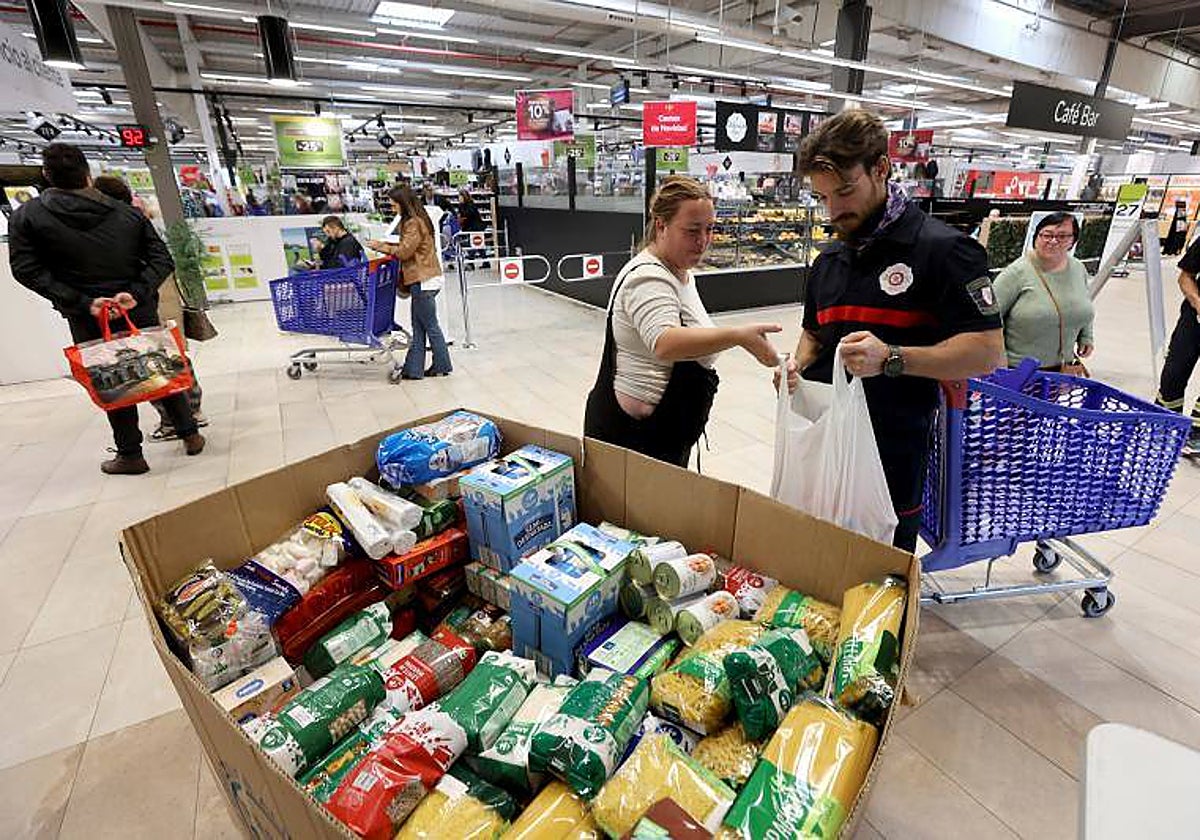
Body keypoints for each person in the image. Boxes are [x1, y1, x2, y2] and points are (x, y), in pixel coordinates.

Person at [779, 110, 1004, 551]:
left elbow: (987, 351)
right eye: (823, 197)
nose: (834, 209)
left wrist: (894, 358)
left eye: (845, 191)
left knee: (879, 584)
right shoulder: (828, 262)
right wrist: (796, 365)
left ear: (881, 169)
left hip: (890, 464)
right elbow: (814, 334)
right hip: (826, 451)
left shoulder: (945, 251)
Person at [8, 143, 204, 474]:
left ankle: (130, 453)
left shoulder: (28, 216)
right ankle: (189, 432)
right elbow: (161, 258)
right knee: (157, 366)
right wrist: (135, 293)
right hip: (135, 307)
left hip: (88, 315)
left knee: (112, 377)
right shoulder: (126, 213)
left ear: (46, 175)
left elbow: (26, 269)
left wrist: (83, 302)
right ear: (87, 173)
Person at [584, 175, 782, 468]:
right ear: (661, 226)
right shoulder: (648, 277)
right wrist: (739, 336)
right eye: (692, 231)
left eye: (709, 229)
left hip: (663, 436)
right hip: (633, 440)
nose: (703, 241)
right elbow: (664, 343)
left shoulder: (680, 271)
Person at [93, 174, 209, 441]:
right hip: (153, 298)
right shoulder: (137, 221)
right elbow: (162, 260)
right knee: (171, 359)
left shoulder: (113, 224)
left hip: (134, 305)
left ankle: (176, 422)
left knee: (141, 367)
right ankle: (191, 417)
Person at [366, 186, 452, 380]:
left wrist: (381, 247)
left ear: (403, 202)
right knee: (420, 326)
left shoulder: (413, 223)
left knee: (430, 326)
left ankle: (441, 364)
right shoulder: (418, 220)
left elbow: (405, 252)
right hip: (427, 278)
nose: (392, 206)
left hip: (423, 279)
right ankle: (414, 369)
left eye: (393, 202)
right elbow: (409, 247)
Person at [992, 212, 1094, 371]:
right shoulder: (1016, 273)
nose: (1053, 241)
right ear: (1036, 237)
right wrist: (998, 360)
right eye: (1047, 235)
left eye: (1062, 236)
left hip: (1062, 370)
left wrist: (1086, 336)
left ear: (1073, 240)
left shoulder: (1078, 268)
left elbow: (1083, 304)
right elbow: (988, 320)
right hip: (1018, 372)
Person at [1155, 233, 1200, 456]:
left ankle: (1197, 435)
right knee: (1174, 372)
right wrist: (1198, 304)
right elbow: (1186, 277)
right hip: (1195, 319)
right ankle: (1165, 423)